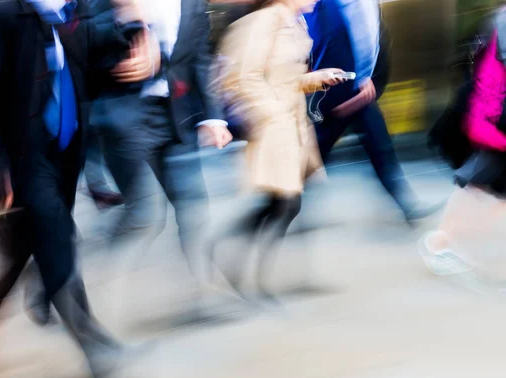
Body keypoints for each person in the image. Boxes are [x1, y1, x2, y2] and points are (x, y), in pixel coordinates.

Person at [0, 0, 149, 378]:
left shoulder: (72, 13)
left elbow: (91, 73)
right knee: (57, 241)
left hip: (63, 157)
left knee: (24, 252)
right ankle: (96, 348)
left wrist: (134, 41)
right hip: (21, 161)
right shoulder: (0, 17)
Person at [90, 0, 232, 302]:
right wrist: (120, 19)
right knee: (144, 213)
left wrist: (213, 116)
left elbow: (199, 59)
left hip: (175, 117)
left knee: (193, 205)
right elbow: (80, 32)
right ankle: (91, 286)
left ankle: (206, 288)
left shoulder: (192, 5)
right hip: (125, 115)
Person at [210, 0, 346, 302]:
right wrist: (272, 115)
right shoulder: (263, 22)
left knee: (285, 203)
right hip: (275, 127)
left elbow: (283, 78)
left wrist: (316, 79)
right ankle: (245, 271)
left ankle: (234, 259)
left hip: (293, 125)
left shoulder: (293, 22)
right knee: (285, 201)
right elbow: (243, 77)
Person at [304, 0, 432, 222]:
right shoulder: (327, 6)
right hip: (338, 92)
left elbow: (372, 39)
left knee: (379, 147)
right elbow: (355, 39)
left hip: (352, 90)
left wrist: (367, 79)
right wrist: (362, 78)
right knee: (318, 153)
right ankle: (280, 202)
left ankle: (406, 205)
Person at [420, 12, 506, 276]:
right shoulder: (501, 24)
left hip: (490, 120)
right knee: (477, 182)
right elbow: (489, 82)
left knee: (483, 186)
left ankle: (440, 243)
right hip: (492, 121)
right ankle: (438, 244)